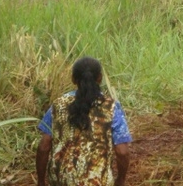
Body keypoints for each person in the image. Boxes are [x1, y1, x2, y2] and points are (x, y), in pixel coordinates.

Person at [36, 56, 131, 186]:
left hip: (60, 180)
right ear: (99, 78)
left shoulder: (58, 105)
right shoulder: (111, 107)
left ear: (73, 79)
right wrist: (120, 180)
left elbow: (44, 146)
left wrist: (41, 181)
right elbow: (122, 151)